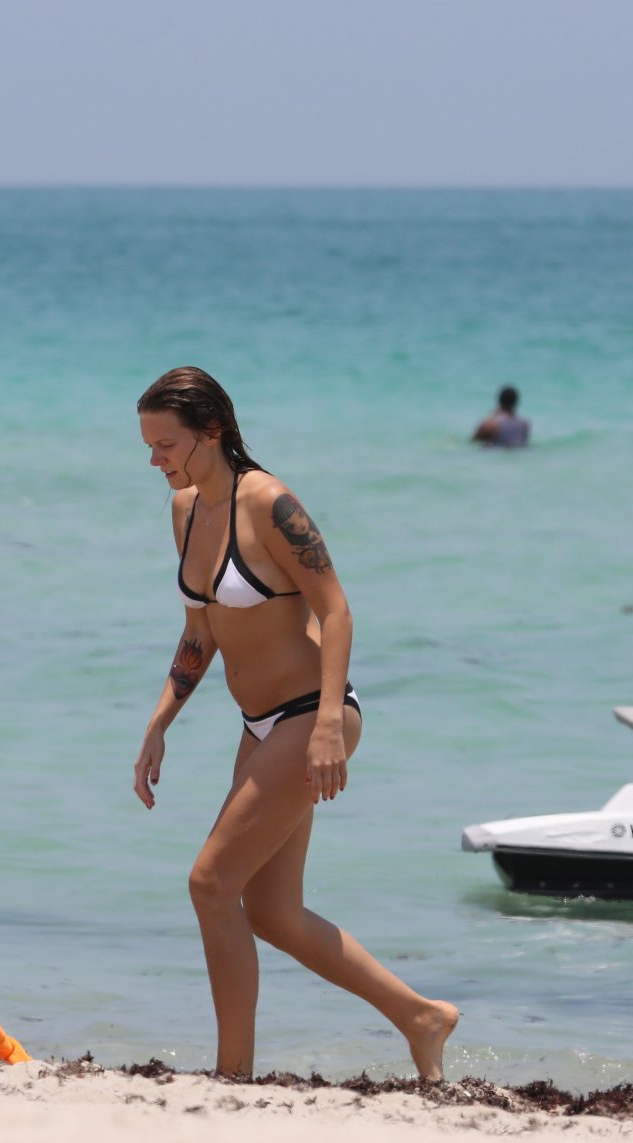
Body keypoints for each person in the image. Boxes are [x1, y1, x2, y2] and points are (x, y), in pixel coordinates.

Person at [134, 366, 458, 1081]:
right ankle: (421, 1017)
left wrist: (327, 728)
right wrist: (160, 722)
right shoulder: (185, 510)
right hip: (258, 724)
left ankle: (233, 1075)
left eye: (165, 444)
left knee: (210, 883)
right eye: (148, 445)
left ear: (211, 433)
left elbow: (336, 610)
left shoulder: (269, 504)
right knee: (272, 913)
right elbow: (200, 632)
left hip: (311, 715)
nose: (153, 459)